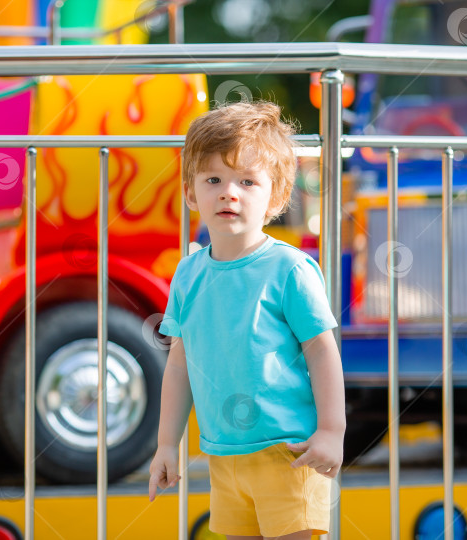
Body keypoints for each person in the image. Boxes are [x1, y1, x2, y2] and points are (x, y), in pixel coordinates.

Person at [148, 101, 345, 540]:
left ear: (274, 196)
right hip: (224, 457)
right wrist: (166, 444)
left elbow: (321, 350)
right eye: (213, 179)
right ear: (189, 191)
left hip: (288, 452)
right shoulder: (189, 272)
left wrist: (332, 431)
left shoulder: (289, 269)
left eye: (247, 181)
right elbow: (179, 363)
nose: (228, 192)